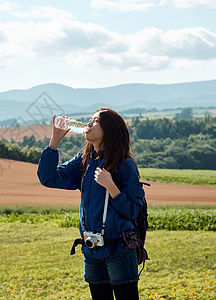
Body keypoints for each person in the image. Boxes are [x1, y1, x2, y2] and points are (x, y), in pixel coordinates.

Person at [37, 108, 144, 300]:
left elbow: (133, 210)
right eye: (89, 120)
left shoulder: (124, 164)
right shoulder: (83, 161)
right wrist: (54, 143)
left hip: (119, 250)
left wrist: (111, 187)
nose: (89, 124)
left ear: (109, 129)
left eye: (95, 121)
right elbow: (48, 178)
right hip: (91, 251)